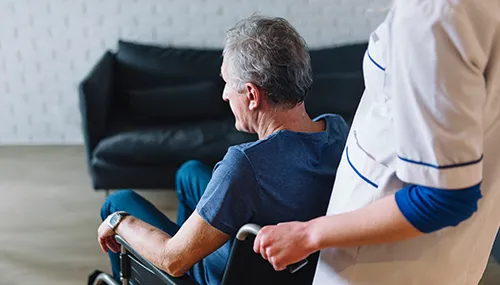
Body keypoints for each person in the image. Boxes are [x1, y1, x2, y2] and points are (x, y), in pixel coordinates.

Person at [253, 1, 500, 284]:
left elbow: (444, 198)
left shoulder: (433, 14)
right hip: (447, 254)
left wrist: (308, 234)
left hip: (381, 263)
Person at [96, 15, 349, 285]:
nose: (224, 95)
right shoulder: (336, 129)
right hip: (288, 267)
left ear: (252, 96)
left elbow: (172, 259)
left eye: (228, 83)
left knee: (118, 202)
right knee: (189, 173)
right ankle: (194, 236)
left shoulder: (245, 165)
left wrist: (118, 221)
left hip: (219, 274)